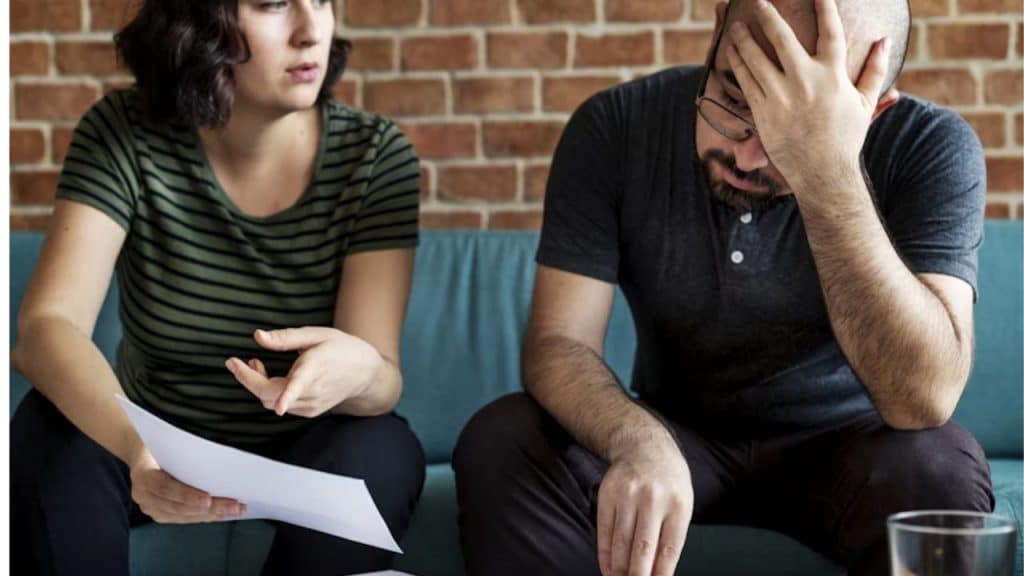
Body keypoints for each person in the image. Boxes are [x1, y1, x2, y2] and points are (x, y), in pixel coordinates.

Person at [452, 0, 995, 575]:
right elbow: (558, 343)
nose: (746, 154)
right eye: (736, 100)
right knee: (503, 440)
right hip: (675, 436)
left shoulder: (932, 146)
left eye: (790, 132)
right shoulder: (615, 126)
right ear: (718, 31)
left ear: (874, 113)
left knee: (941, 472)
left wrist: (826, 171)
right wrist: (639, 441)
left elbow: (923, 399)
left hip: (847, 450)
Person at [11, 1, 425, 574]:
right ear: (198, 20)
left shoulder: (376, 155)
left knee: (383, 447)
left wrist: (359, 367)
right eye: (275, 4)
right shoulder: (124, 132)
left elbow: (382, 379)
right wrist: (139, 451)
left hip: (306, 448)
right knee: (47, 428)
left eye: (323, 1)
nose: (311, 32)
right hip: (151, 430)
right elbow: (45, 328)